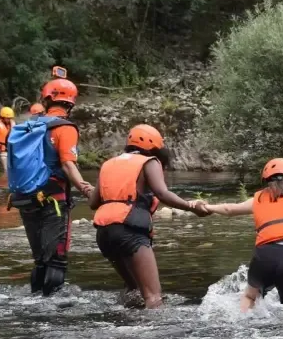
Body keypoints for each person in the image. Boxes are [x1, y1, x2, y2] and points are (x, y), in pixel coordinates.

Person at [89, 124, 209, 308]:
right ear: (153, 145)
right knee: (153, 296)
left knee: (134, 289)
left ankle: (123, 325)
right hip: (129, 231)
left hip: (104, 234)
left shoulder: (108, 164)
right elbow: (162, 193)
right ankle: (154, 334)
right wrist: (191, 207)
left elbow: (93, 203)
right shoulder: (149, 162)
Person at [203, 158, 283, 320]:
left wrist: (207, 207)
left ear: (265, 179)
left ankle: (238, 323)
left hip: (264, 256)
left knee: (250, 296)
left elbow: (230, 209)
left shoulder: (258, 198)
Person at [7, 77, 93, 296]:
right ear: (70, 103)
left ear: (46, 100)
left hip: (26, 198)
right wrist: (86, 188)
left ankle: (34, 301)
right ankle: (52, 309)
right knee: (56, 259)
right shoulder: (65, 128)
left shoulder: (30, 126)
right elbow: (67, 164)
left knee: (40, 260)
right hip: (54, 200)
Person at [0, 107, 14, 173]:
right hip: (2, 148)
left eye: (10, 118)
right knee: (5, 166)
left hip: (11, 147)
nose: (9, 119)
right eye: (7, 118)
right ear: (2, 117)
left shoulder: (13, 123)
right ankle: (5, 175)